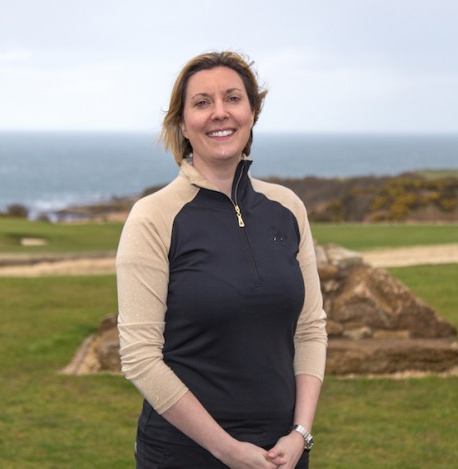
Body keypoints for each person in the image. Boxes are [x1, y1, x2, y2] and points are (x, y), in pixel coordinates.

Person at [116, 51, 328, 468]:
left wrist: (299, 434)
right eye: (202, 102)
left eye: (233, 98)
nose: (220, 113)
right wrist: (227, 450)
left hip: (283, 454)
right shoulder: (153, 217)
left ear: (252, 112)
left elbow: (310, 329)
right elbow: (140, 357)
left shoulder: (287, 207)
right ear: (183, 124)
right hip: (184, 455)